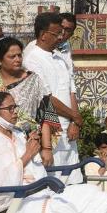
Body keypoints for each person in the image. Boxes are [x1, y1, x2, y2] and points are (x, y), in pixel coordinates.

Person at [0, 37, 55, 166]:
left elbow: (47, 114)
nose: (17, 60)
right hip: (1, 148)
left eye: (19, 55)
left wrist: (47, 148)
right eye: (12, 56)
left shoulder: (34, 79)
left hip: (33, 144)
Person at [24, 12, 83, 183]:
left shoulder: (59, 57)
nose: (61, 37)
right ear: (43, 35)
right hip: (51, 131)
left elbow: (70, 90)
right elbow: (46, 99)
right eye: (57, 33)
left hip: (69, 131)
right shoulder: (32, 58)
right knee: (54, 186)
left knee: (74, 183)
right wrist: (75, 116)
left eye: (64, 32)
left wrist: (74, 122)